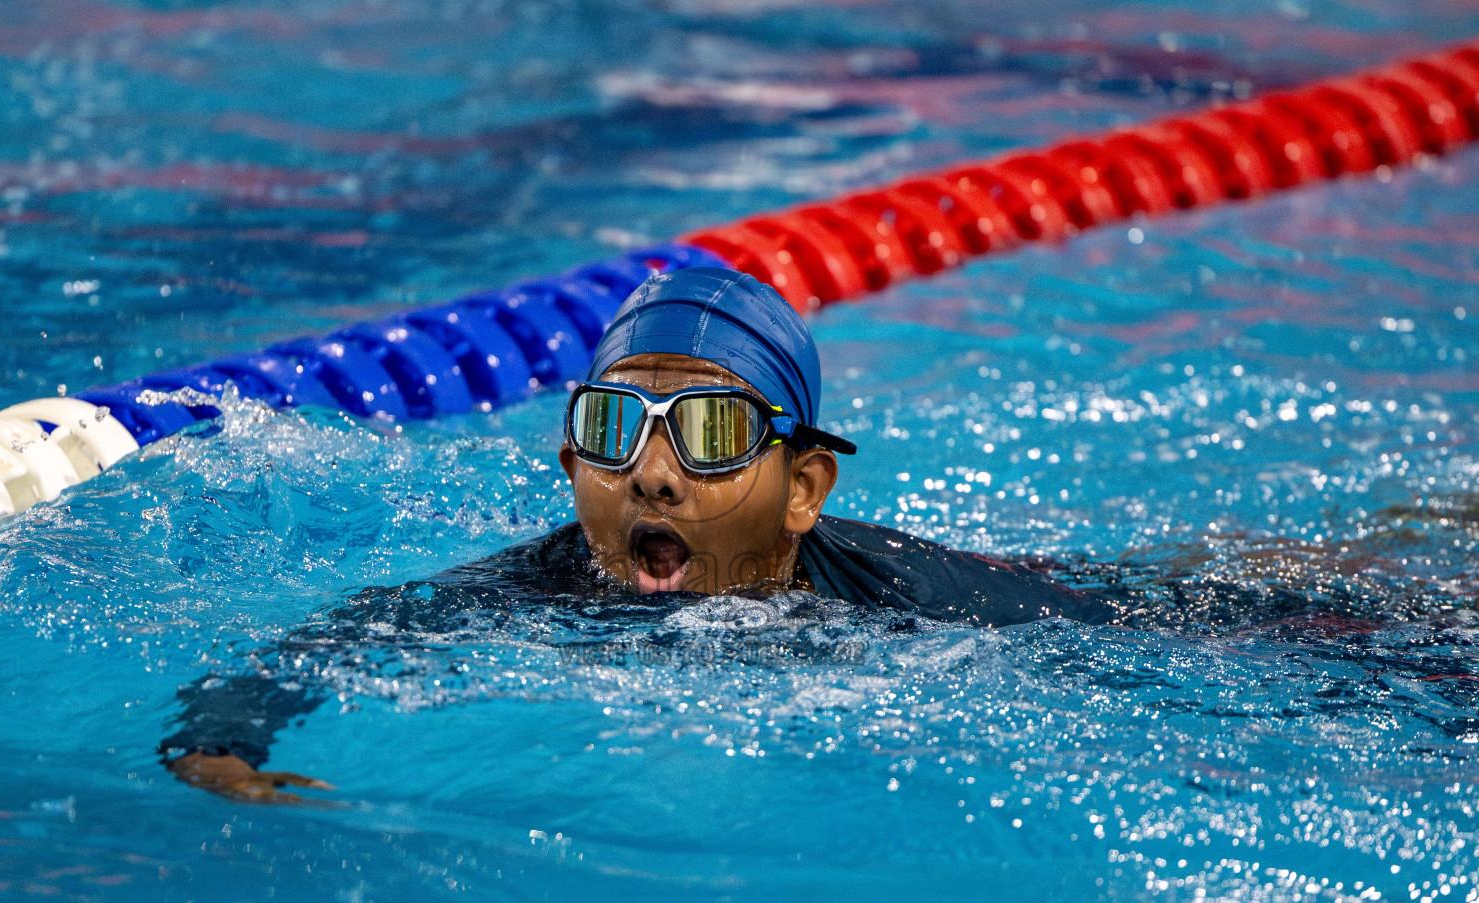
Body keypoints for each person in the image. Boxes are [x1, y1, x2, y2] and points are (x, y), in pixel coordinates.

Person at [163, 266, 1113, 802]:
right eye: (614, 430)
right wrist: (216, 748)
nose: (652, 473)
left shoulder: (912, 600)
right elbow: (321, 650)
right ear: (573, 465)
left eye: (711, 433)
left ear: (802, 489)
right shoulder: (536, 589)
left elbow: (1163, 633)